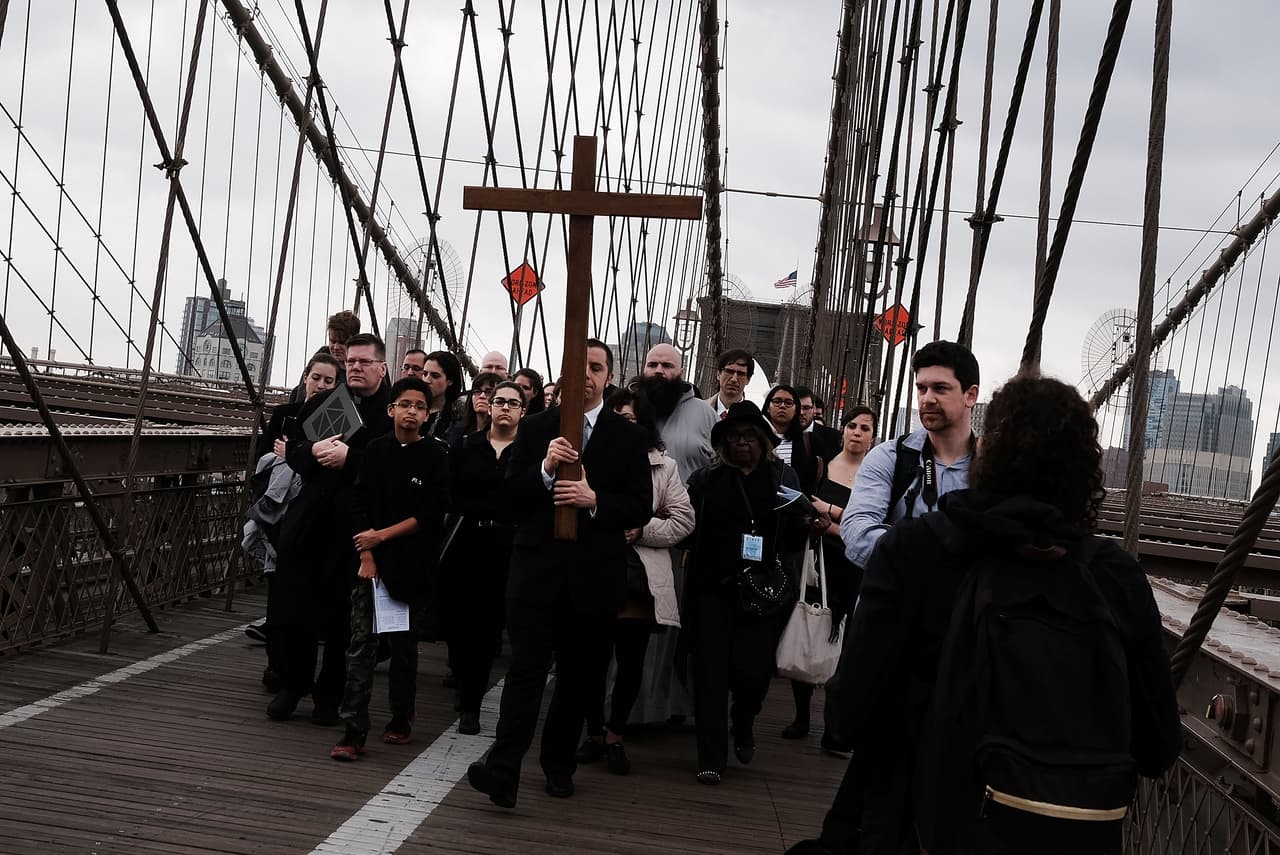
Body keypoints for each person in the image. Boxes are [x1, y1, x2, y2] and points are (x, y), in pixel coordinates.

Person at [821, 376, 1180, 855]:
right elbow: (1158, 746)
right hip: (1069, 836)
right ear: (1085, 470)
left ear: (985, 450)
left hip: (921, 826)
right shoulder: (1113, 575)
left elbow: (849, 716)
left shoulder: (915, 549)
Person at [798, 340, 980, 853]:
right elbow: (857, 537)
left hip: (960, 642)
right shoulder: (890, 457)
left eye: (940, 388)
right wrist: (950, 559)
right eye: (921, 388)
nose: (927, 398)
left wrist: (908, 551)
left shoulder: (993, 467)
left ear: (970, 395)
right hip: (891, 641)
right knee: (885, 770)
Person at [466, 339, 651, 808]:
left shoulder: (627, 436)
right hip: (536, 572)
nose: (585, 374)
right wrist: (545, 470)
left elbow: (641, 505)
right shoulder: (536, 430)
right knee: (524, 673)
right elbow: (508, 500)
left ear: (608, 377)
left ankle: (558, 765)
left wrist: (596, 502)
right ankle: (503, 769)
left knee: (578, 676)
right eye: (577, 366)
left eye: (595, 367)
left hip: (594, 578)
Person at [267, 333, 393, 725]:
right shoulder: (325, 400)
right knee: (295, 608)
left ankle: (328, 696)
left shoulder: (390, 411)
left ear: (381, 368)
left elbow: (392, 466)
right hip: (309, 521)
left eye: (363, 362)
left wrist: (350, 458)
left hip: (354, 527)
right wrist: (313, 452)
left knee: (341, 617)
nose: (354, 368)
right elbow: (294, 449)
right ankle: (292, 685)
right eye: (350, 362)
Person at [684, 401, 808, 785]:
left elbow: (795, 533)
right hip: (711, 587)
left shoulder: (781, 477)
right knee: (710, 674)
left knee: (753, 672)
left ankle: (744, 720)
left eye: (749, 436)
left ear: (763, 441)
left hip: (763, 590)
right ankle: (711, 757)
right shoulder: (706, 480)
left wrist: (810, 522)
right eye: (734, 437)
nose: (741, 443)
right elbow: (688, 527)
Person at [330, 376, 450, 760]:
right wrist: (367, 554)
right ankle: (353, 730)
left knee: (403, 647)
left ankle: (401, 717)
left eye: (419, 406)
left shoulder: (436, 456)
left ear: (428, 414)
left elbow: (429, 515)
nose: (411, 411)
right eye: (405, 404)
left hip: (410, 565)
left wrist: (379, 538)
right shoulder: (375, 451)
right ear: (391, 409)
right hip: (371, 566)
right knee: (361, 645)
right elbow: (358, 502)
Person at [577, 387, 694, 775]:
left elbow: (683, 520)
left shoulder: (664, 466)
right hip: (595, 568)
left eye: (631, 419)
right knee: (590, 659)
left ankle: (615, 734)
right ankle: (593, 730)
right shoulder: (588, 456)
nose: (623, 426)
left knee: (630, 660)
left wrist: (641, 528)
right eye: (617, 417)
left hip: (638, 577)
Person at [786, 406, 876, 754]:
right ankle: (801, 716)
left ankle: (835, 725)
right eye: (851, 425)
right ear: (842, 430)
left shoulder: (875, 477)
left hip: (856, 570)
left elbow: (872, 527)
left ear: (872, 435)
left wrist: (833, 524)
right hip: (817, 563)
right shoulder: (820, 468)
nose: (856, 433)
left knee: (849, 644)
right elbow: (802, 509)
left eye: (864, 428)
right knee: (808, 629)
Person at [441, 380, 527, 735]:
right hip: (466, 542)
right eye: (499, 401)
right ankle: (463, 683)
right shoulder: (464, 447)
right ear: (489, 407)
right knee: (459, 627)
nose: (505, 407)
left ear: (523, 411)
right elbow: (448, 494)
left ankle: (471, 706)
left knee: (487, 628)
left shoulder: (528, 454)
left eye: (513, 403)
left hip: (507, 545)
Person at [245, 353, 341, 652]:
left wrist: (295, 453)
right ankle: (276, 647)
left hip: (315, 512)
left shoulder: (339, 420)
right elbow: (264, 458)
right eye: (316, 378)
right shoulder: (285, 414)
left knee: (306, 585)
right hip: (281, 510)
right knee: (279, 578)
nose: (321, 385)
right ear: (305, 377)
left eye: (329, 381)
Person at [636, 343, 715, 482]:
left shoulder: (707, 415)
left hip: (688, 503)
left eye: (667, 366)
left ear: (681, 373)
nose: (658, 370)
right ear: (644, 369)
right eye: (652, 365)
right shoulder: (626, 410)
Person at [289, 310, 359, 403]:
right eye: (332, 341)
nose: (336, 347)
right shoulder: (320, 358)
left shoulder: (360, 367)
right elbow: (301, 395)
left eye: (342, 342)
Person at [421, 350, 462, 441]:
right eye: (425, 374)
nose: (427, 380)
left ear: (450, 380)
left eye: (435, 376)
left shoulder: (457, 419)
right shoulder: (409, 409)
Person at [450, 371, 501, 442]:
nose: (482, 396)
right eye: (477, 391)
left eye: (489, 392)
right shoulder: (458, 433)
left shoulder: (504, 436)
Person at [704, 349, 753, 419]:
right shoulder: (699, 411)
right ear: (718, 374)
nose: (734, 379)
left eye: (740, 374)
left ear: (748, 379)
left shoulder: (754, 421)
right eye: (729, 371)